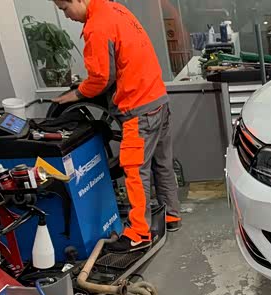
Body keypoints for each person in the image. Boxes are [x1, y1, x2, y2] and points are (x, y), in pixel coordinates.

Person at [52, 0, 182, 254]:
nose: (66, 16)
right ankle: (171, 214)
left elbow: (101, 78)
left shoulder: (96, 26)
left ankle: (139, 233)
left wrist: (77, 93)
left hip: (138, 110)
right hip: (158, 100)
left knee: (135, 172)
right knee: (162, 163)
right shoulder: (117, 9)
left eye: (64, 9)